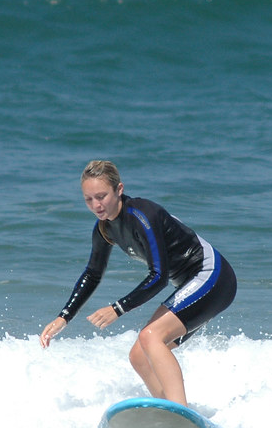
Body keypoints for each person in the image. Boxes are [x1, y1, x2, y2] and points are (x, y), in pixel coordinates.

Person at [39, 160, 237, 406]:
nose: (96, 205)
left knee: (151, 337)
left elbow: (159, 276)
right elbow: (93, 274)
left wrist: (117, 308)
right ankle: (170, 411)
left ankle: (180, 409)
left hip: (213, 277)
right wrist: (64, 317)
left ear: (119, 189)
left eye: (101, 196)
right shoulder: (104, 229)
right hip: (190, 285)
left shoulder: (143, 216)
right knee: (139, 357)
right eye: (88, 199)